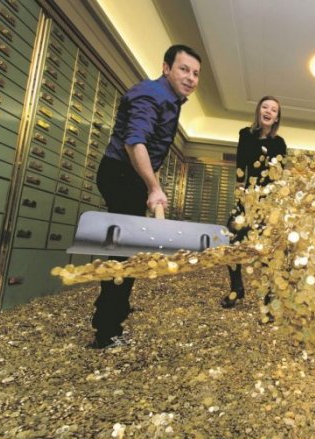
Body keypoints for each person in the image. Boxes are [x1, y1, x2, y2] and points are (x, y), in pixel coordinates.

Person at [89, 44, 201, 349]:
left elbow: (149, 150)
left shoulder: (171, 99)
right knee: (124, 253)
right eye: (183, 69)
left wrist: (152, 184)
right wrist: (153, 187)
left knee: (128, 251)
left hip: (131, 177)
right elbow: (134, 143)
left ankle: (114, 309)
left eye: (195, 73)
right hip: (121, 175)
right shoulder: (151, 94)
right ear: (166, 68)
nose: (191, 78)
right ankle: (107, 330)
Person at [221, 96, 287, 308]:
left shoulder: (279, 143)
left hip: (269, 202)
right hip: (247, 197)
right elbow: (241, 168)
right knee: (232, 241)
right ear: (259, 110)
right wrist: (241, 198)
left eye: (273, 110)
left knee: (267, 249)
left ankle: (268, 295)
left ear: (277, 117)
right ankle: (236, 288)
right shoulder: (245, 134)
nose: (268, 111)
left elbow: (280, 176)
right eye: (265, 107)